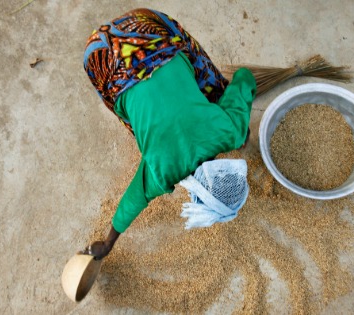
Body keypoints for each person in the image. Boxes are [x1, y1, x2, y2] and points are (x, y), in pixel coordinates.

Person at [81, 8, 257, 260]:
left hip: (146, 24)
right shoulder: (161, 171)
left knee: (215, 89)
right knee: (135, 120)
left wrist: (243, 125)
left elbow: (245, 77)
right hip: (98, 58)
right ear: (196, 195)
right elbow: (131, 202)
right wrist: (107, 243)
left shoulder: (231, 130)